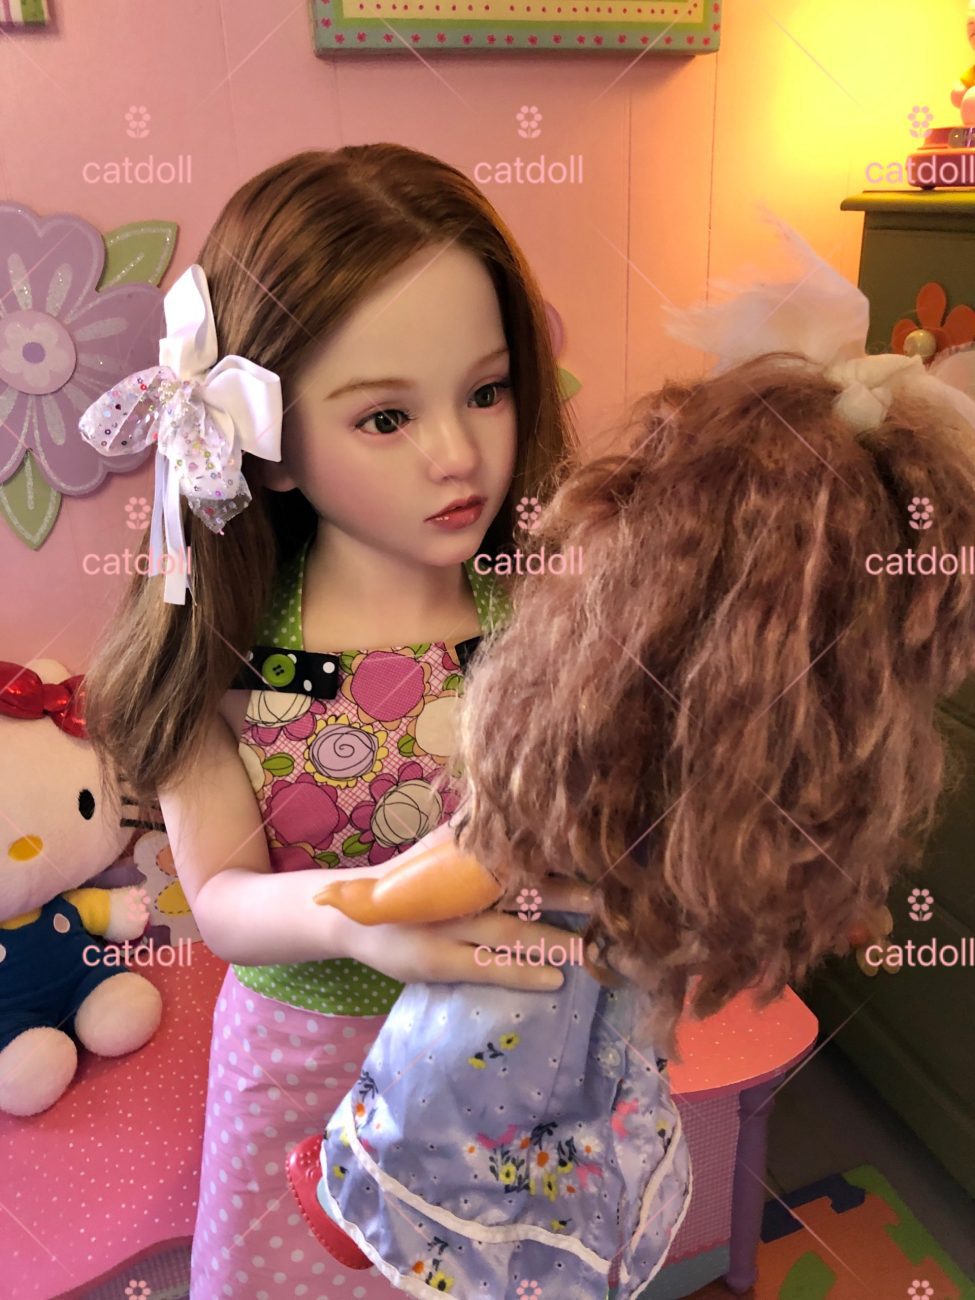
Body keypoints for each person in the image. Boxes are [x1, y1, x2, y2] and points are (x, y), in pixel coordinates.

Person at [302, 226, 975, 1299]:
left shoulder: (663, 773)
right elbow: (463, 863)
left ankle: (429, 1211)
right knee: (493, 1136)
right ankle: (396, 1194)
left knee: (538, 1148)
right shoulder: (588, 770)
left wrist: (373, 897)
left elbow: (460, 866)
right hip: (530, 1028)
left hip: (587, 1037)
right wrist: (369, 900)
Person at [78, 145, 587, 1300]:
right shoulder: (220, 638)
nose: (457, 454)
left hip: (507, 1065)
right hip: (301, 1075)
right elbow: (221, 898)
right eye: (385, 417)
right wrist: (363, 922)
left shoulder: (547, 615)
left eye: (487, 391)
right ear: (266, 444)